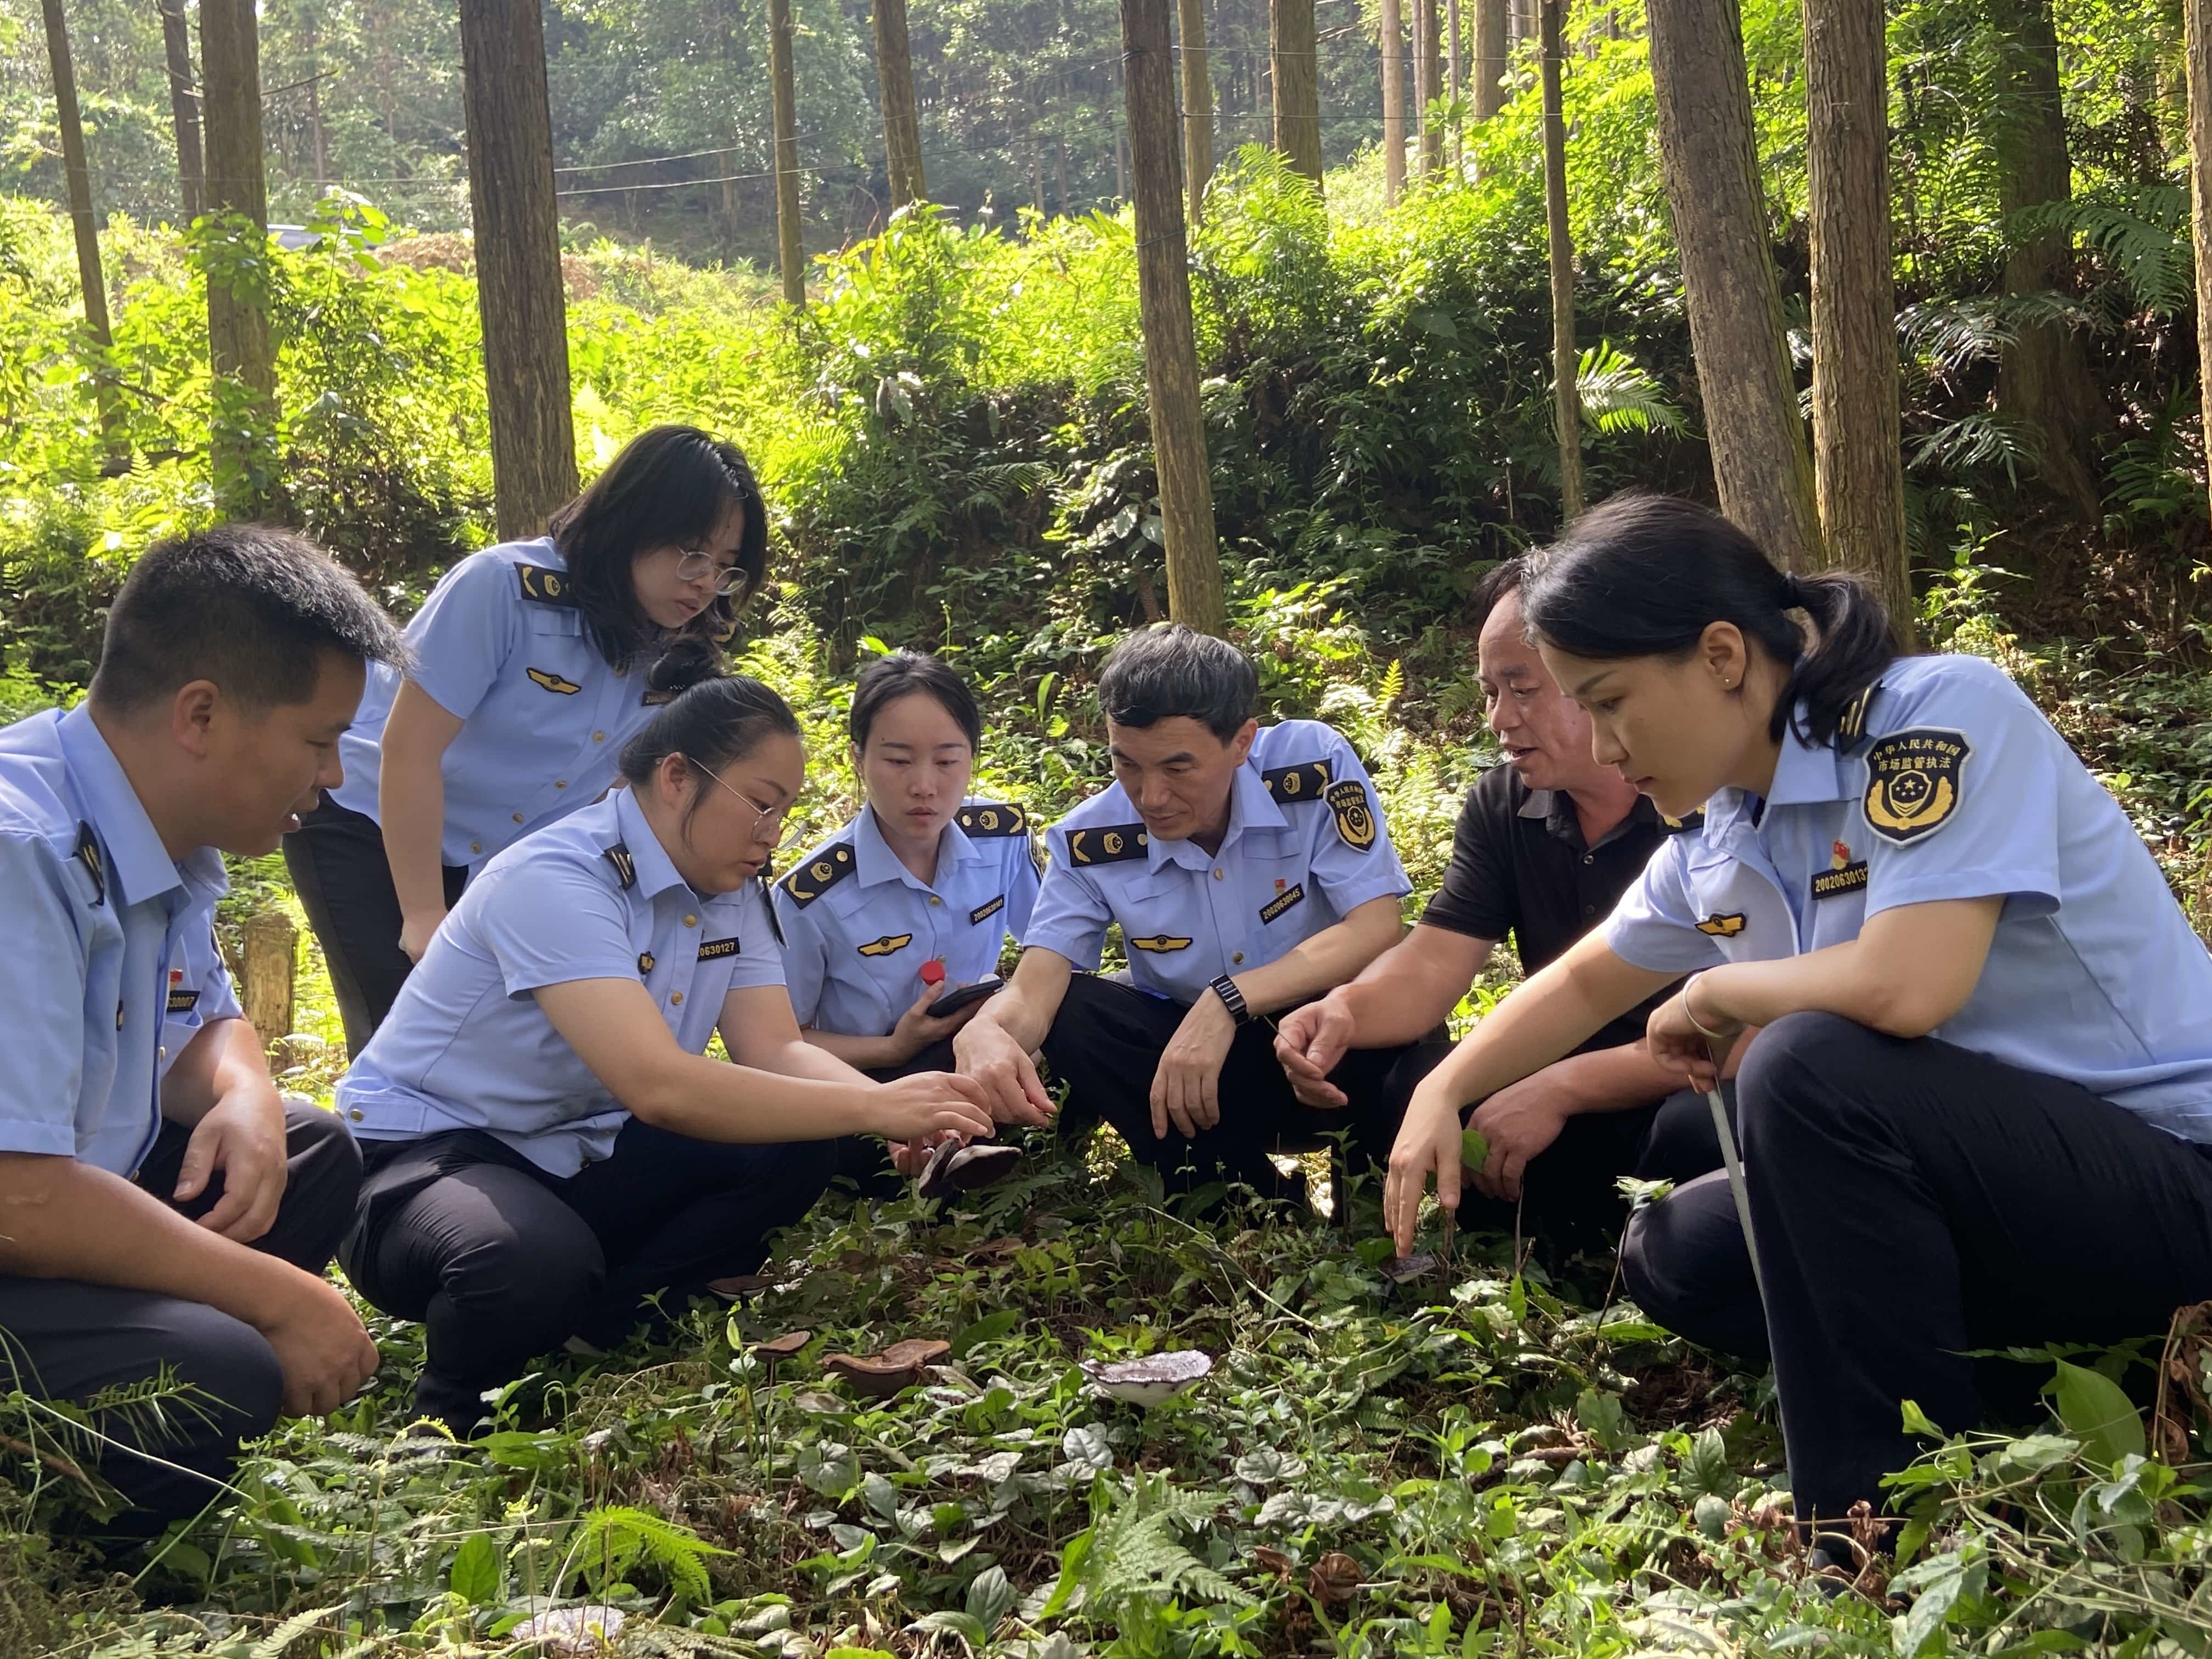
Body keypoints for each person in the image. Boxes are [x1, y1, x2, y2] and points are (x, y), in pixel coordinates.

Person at [1380, 494, 2212, 1550]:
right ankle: (2014, 1378)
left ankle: (1876, 1526)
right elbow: (1587, 983)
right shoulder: (1724, 827)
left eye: (1610, 700)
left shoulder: (1931, 715)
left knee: (1803, 1066)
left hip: (2170, 1170)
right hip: (1995, 1191)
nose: (1601, 741)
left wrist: (1717, 993)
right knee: (1679, 1249)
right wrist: (1440, 1087)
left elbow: (1908, 987)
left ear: (1722, 653)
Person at [335, 675, 997, 1431]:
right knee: (527, 1263)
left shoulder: (731, 892)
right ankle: (449, 1415)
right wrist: (879, 1101)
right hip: (428, 1161)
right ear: (679, 777)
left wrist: (887, 1118)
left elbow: (775, 1047)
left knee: (800, 1146)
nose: (772, 834)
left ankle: (607, 1323)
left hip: (579, 1147)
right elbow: (657, 1086)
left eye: (785, 811)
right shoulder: (558, 879)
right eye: (760, 803)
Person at [0, 526, 397, 1529]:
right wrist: (280, 1299)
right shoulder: (25, 851)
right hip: (20, 1214)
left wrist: (249, 1089)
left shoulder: (150, 826)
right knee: (221, 1366)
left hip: (52, 1203)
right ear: (203, 713)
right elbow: (17, 1196)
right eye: (319, 739)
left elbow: (200, 1020)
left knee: (308, 1149)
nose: (335, 776)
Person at [1273, 560, 1729, 1254]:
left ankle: (1634, 1248)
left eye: (1524, 689)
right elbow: (1433, 962)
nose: (1499, 719)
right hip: (1546, 1054)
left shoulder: (1711, 804)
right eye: (1489, 692)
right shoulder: (1503, 804)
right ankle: (1524, 1238)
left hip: (1677, 1078)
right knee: (1402, 1078)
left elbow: (1744, 1035)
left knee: (1696, 1130)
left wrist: (1562, 1087)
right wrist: (1346, 1008)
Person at [285, 424, 769, 1056]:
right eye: (692, 554)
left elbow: (617, 801)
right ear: (633, 519)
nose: (706, 583)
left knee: (497, 1039)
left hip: (502, 855)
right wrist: (426, 916)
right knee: (399, 1029)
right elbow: (410, 748)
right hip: (371, 821)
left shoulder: (679, 655)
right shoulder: (504, 589)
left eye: (727, 569)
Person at [953, 624, 1412, 1199]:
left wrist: (1230, 1000)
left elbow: (1375, 926)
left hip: (1328, 1043)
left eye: (1177, 769)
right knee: (1076, 1011)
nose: (1150, 797)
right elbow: (1035, 989)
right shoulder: (1091, 841)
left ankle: (1374, 1205)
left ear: (1241, 742)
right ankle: (1235, 1194)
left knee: (1401, 1009)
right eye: (1128, 766)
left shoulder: (1309, 769)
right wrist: (985, 1032)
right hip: (1194, 1075)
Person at [773, 651, 1040, 1190]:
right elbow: (781, 1043)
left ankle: (966, 1151)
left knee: (1074, 1021)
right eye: (898, 761)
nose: (925, 786)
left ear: (972, 757)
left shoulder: (1002, 838)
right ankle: (946, 1156)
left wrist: (998, 1015)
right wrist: (892, 1049)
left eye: (947, 761)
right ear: (857, 758)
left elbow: (1049, 950)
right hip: (864, 1083)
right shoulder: (811, 895)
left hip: (973, 1051)